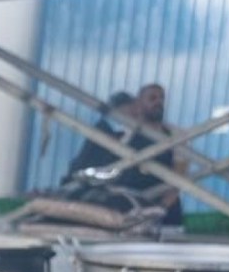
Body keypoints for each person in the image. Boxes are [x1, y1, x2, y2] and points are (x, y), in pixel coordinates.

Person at [128, 82, 185, 226]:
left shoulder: (176, 135)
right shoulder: (126, 132)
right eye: (152, 98)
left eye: (161, 98)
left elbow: (179, 177)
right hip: (129, 204)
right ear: (139, 103)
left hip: (166, 209)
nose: (158, 102)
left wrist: (162, 207)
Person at [62, 91, 135, 182]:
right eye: (130, 109)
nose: (133, 112)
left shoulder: (108, 127)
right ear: (119, 108)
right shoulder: (104, 127)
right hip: (87, 174)